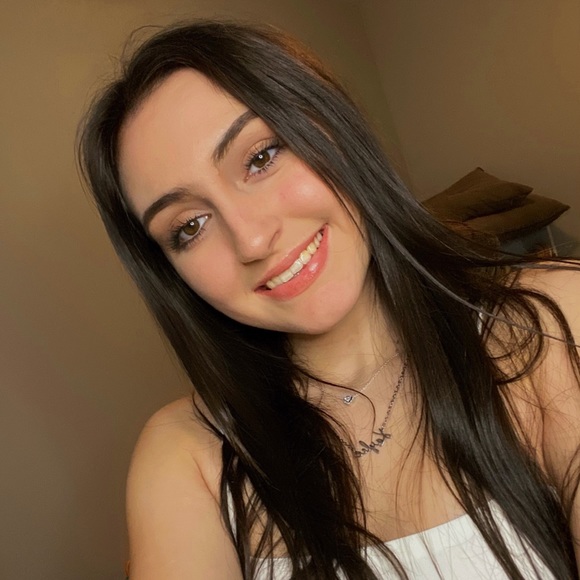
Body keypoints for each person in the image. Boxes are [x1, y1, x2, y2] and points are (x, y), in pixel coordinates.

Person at [78, 20, 580, 579]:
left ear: (332, 125)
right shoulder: (188, 454)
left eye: (261, 157)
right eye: (189, 225)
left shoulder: (555, 323)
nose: (252, 240)